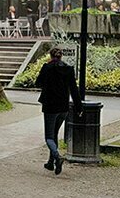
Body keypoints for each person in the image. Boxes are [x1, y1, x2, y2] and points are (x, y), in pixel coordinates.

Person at [34, 46, 83, 175]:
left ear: (51, 56)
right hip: (63, 107)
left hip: (50, 106)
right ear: (61, 56)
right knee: (55, 132)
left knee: (49, 137)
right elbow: (74, 89)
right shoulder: (68, 69)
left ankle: (57, 157)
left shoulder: (47, 68)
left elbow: (38, 83)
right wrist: (79, 107)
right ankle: (51, 163)